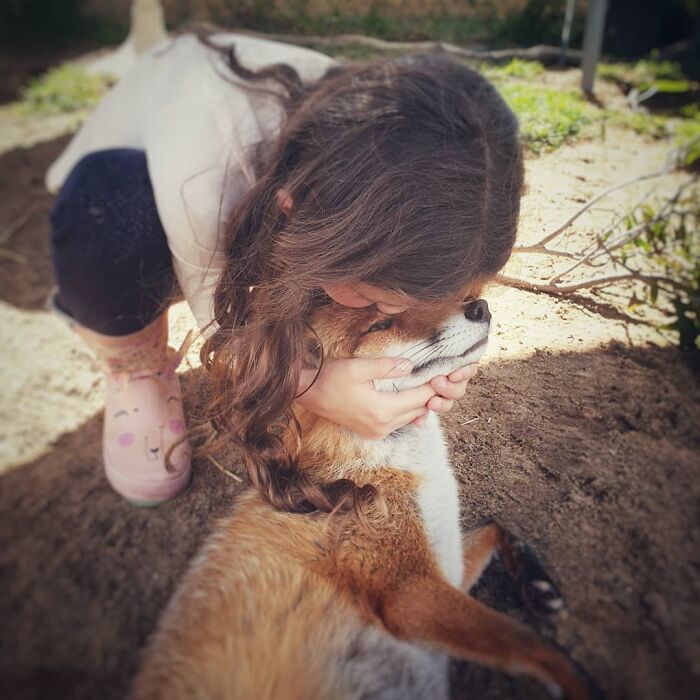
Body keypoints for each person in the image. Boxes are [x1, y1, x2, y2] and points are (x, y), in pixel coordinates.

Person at [46, 31, 524, 507]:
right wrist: (310, 384)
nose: (384, 309)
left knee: (350, 282)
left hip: (290, 224)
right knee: (111, 210)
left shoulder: (370, 164)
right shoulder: (206, 177)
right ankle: (136, 363)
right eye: (380, 304)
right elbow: (224, 322)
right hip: (131, 209)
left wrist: (439, 350)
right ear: (296, 214)